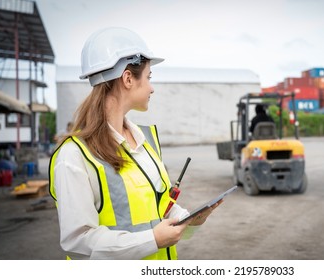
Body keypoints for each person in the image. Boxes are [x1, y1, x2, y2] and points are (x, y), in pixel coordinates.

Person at [49, 27, 222, 260]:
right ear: (128, 78)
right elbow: (77, 240)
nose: (152, 87)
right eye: (149, 77)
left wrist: (188, 219)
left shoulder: (145, 140)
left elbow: (157, 202)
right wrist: (153, 240)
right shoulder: (74, 155)